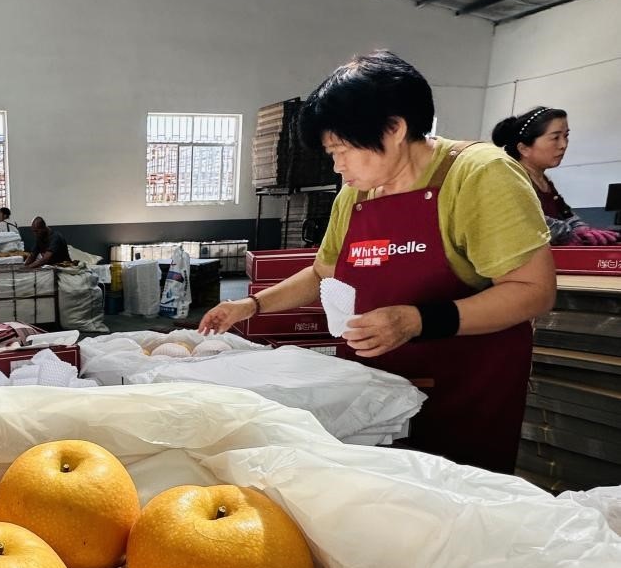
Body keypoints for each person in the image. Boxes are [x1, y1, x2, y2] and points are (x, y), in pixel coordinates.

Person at [199, 50, 556, 474]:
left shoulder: (479, 175)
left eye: (343, 150)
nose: (337, 166)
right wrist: (251, 306)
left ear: (394, 128)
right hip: (379, 392)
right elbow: (322, 273)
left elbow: (533, 291)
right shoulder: (357, 194)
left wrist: (416, 320)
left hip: (465, 389)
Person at [492, 106, 620, 246]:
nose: (563, 145)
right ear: (524, 148)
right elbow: (525, 220)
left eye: (566, 136)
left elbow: (566, 215)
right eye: (555, 138)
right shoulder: (510, 179)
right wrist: (568, 233)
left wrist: (581, 229)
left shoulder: (544, 181)